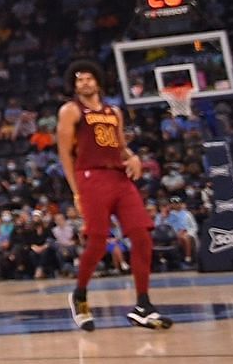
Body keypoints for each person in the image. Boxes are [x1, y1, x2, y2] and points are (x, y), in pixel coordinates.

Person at [57, 61, 172, 330]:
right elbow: (64, 153)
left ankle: (143, 304)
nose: (84, 83)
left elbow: (119, 146)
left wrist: (132, 158)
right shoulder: (71, 110)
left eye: (89, 78)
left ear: (98, 82)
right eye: (79, 80)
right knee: (97, 240)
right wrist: (76, 191)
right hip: (91, 177)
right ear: (74, 86)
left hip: (119, 178)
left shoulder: (114, 111)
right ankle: (80, 295)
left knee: (142, 235)